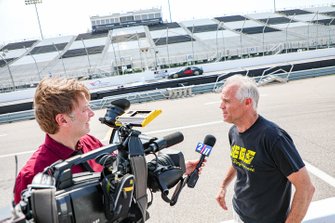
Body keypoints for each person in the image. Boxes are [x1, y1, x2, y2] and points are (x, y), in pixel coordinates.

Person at [13, 77, 202, 204]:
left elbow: (123, 180)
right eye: (84, 109)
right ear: (62, 120)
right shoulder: (32, 177)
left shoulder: (91, 144)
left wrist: (178, 170)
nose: (92, 114)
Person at [215, 74, 315, 223]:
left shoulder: (273, 138)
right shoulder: (234, 131)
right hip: (240, 213)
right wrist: (223, 186)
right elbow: (239, 159)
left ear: (247, 102)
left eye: (227, 101)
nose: (221, 106)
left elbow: (306, 188)